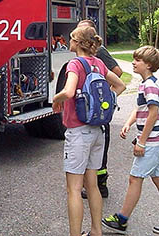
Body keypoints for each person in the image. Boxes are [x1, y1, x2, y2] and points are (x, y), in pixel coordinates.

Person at [52, 25, 125, 236]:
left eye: (72, 38)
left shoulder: (75, 64)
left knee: (73, 189)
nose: (69, 42)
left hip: (78, 132)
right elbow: (119, 85)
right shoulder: (99, 63)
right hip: (97, 131)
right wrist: (106, 103)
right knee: (92, 185)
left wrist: (56, 100)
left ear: (77, 43)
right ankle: (96, 231)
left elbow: (69, 91)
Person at [102, 45, 159, 235]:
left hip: (151, 142)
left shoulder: (150, 85)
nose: (133, 63)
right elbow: (141, 110)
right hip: (152, 141)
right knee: (157, 178)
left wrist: (142, 141)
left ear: (149, 65)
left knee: (135, 178)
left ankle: (122, 220)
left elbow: (153, 113)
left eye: (138, 60)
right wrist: (128, 123)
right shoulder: (145, 84)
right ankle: (122, 219)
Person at [78, 18, 123, 198]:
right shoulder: (83, 54)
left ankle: (100, 186)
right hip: (92, 113)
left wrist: (104, 98)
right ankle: (92, 186)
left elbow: (117, 72)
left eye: (83, 30)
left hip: (100, 113)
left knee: (99, 152)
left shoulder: (100, 52)